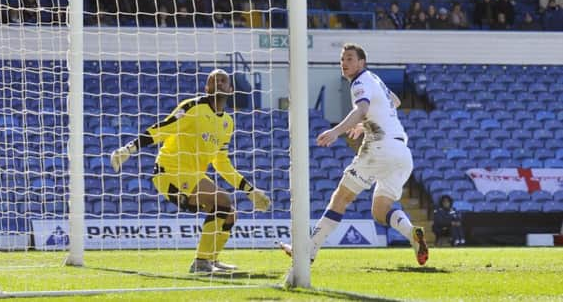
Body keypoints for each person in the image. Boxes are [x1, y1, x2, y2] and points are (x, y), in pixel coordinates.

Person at [279, 44, 429, 269]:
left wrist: (335, 131)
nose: (344, 63)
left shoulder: (360, 82)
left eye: (350, 58)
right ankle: (412, 233)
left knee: (341, 198)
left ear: (362, 63)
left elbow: (361, 108)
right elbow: (395, 102)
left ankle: (307, 252)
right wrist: (364, 123)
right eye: (342, 59)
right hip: (401, 153)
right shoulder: (375, 79)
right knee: (380, 210)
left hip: (379, 148)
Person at [110, 69, 271, 274]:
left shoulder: (227, 122)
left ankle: (211, 259)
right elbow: (164, 128)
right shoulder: (193, 107)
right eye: (213, 81)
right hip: (169, 171)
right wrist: (129, 149)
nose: (218, 83)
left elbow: (221, 163)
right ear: (207, 88)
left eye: (223, 81)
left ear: (230, 89)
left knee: (230, 215)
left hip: (192, 175)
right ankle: (201, 263)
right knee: (222, 200)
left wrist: (250, 190)